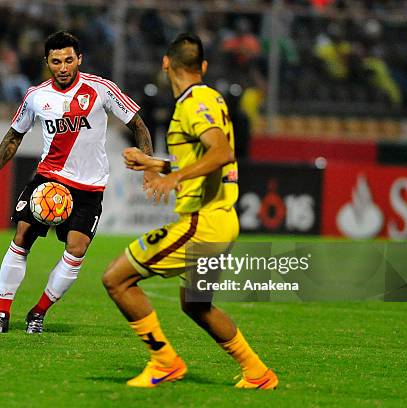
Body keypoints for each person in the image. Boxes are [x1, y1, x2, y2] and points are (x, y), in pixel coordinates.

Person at [102, 33, 278, 389]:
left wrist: (176, 176)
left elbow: (221, 152)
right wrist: (153, 163)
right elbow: (203, 158)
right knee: (196, 305)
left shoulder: (192, 103)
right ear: (204, 67)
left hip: (203, 222)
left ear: (166, 64)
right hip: (221, 220)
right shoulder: (209, 97)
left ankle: (164, 361)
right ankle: (258, 373)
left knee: (116, 279)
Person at [0, 31, 154, 334]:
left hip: (90, 186)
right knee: (22, 236)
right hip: (49, 178)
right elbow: (15, 134)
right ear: (47, 62)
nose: (63, 67)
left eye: (69, 60)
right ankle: (1, 314)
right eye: (56, 61)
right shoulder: (36, 96)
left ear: (79, 59)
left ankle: (38, 312)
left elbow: (138, 124)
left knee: (77, 249)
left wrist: (148, 165)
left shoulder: (102, 89)